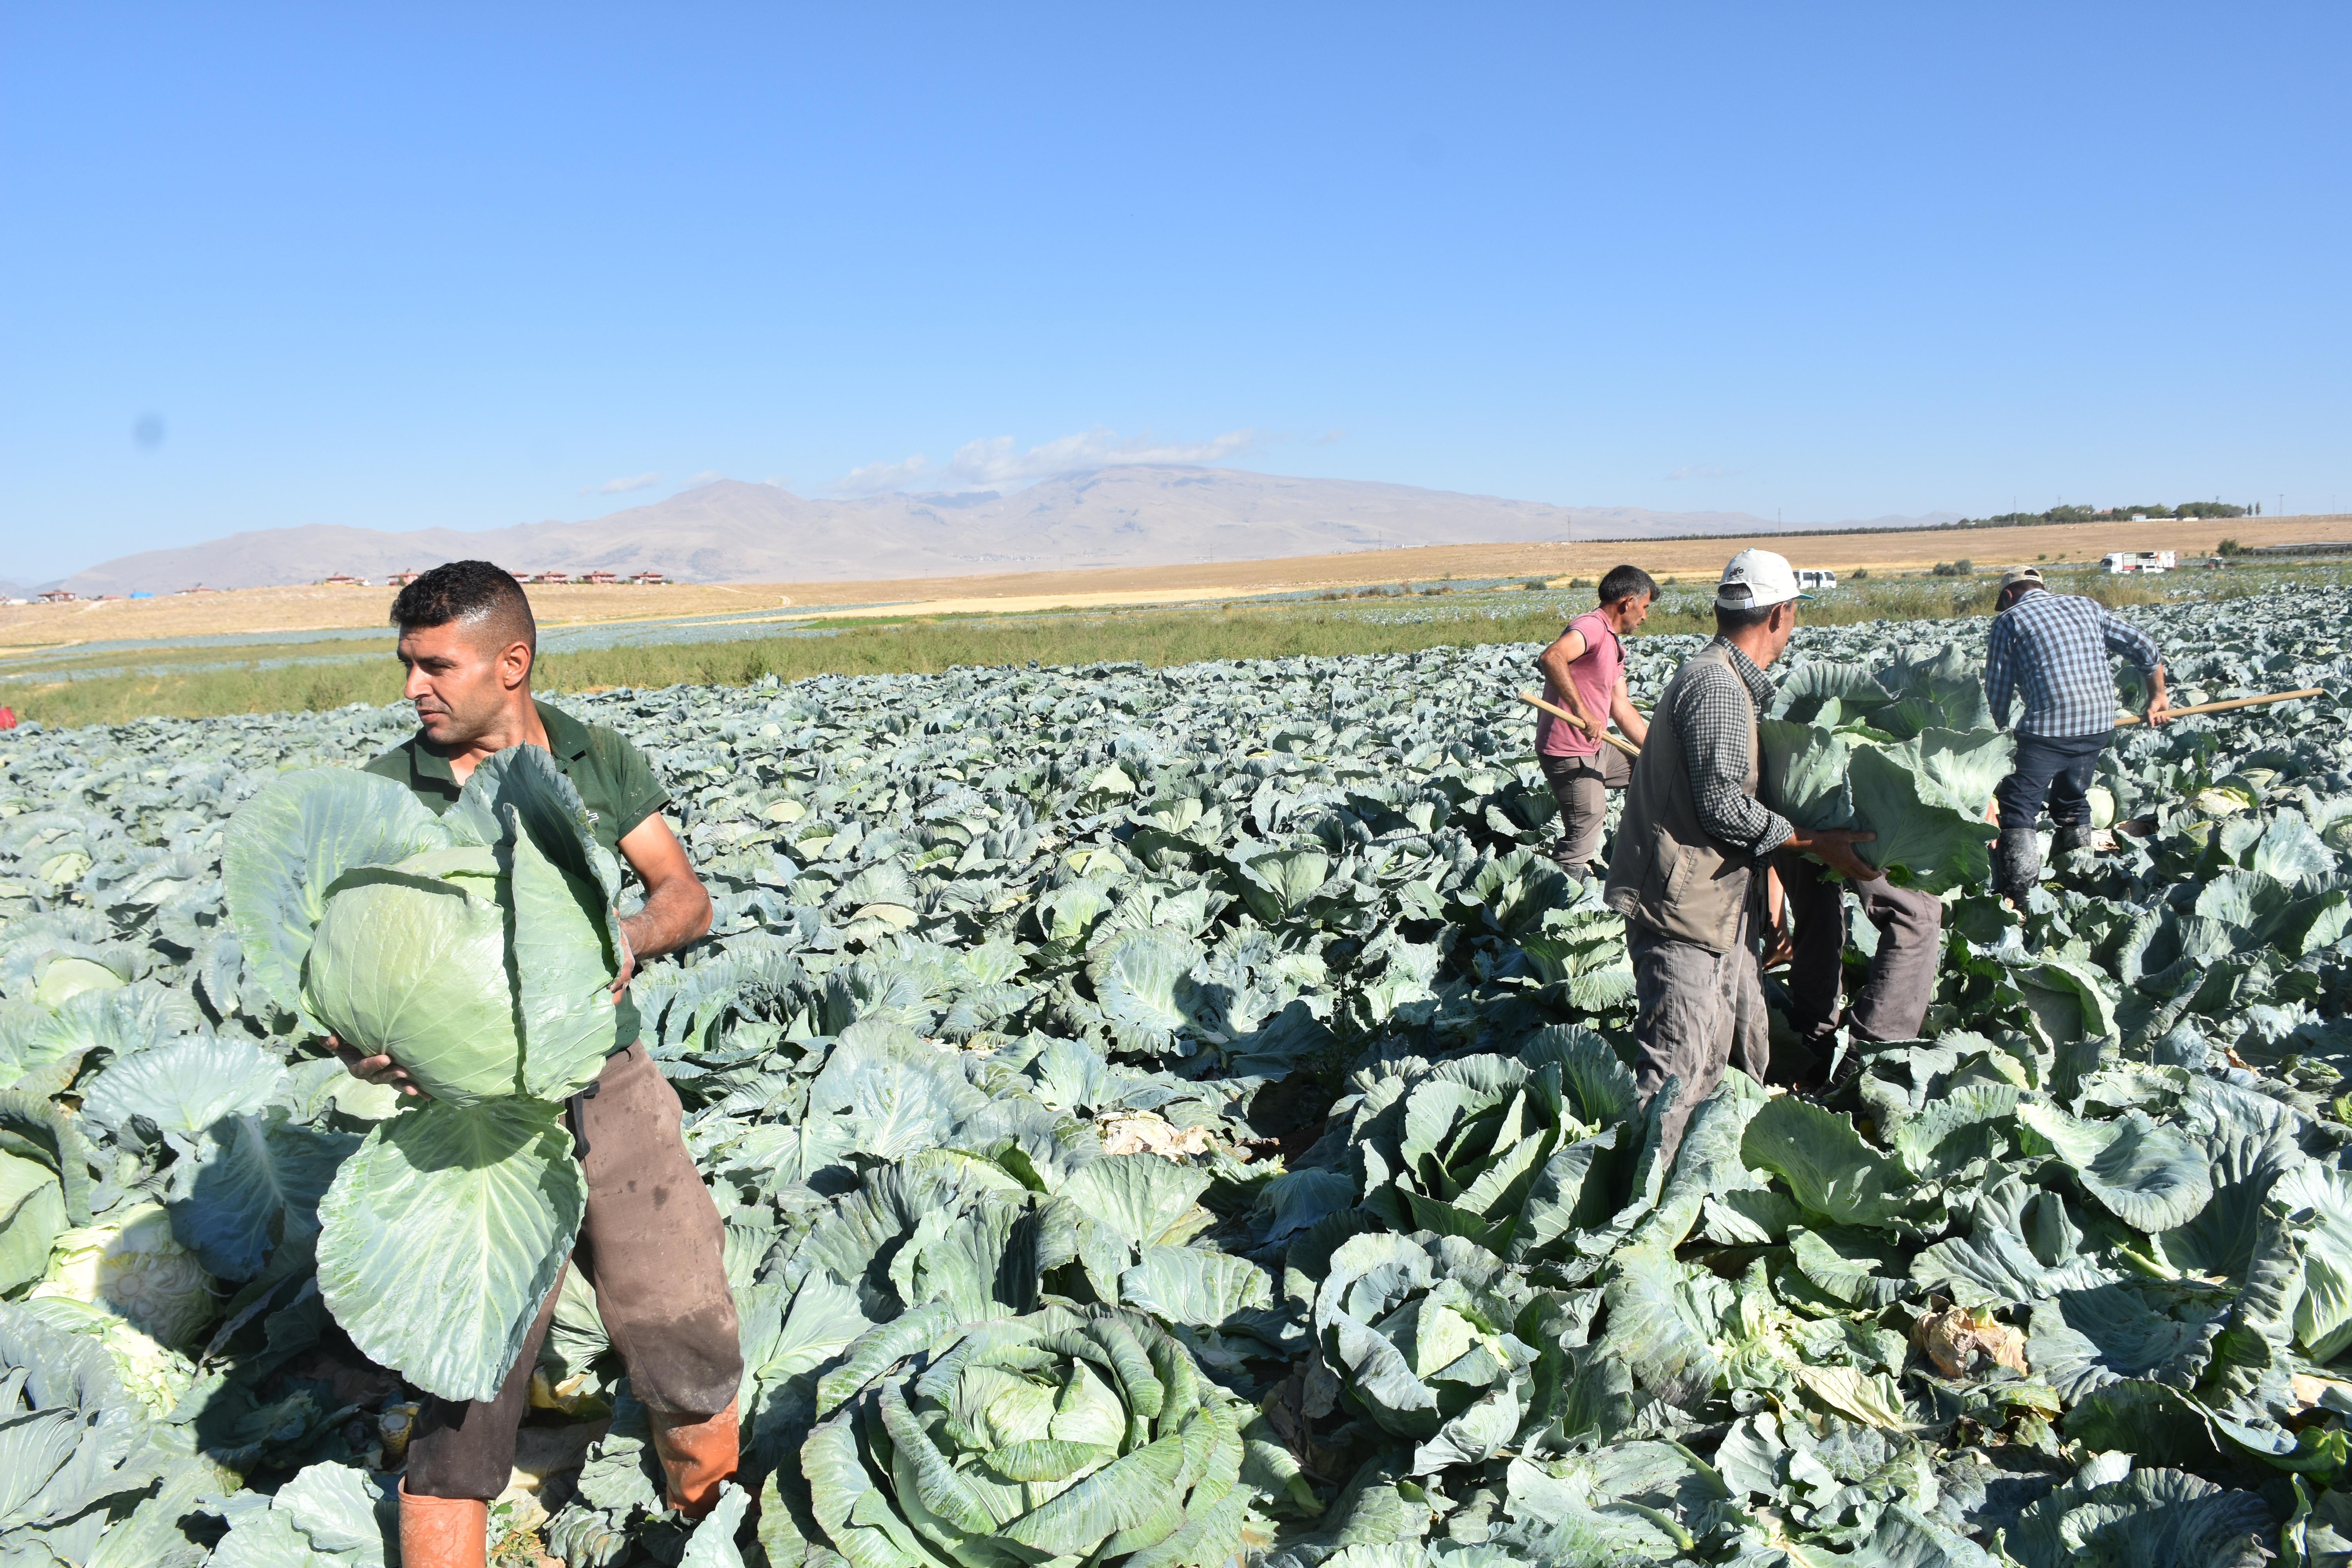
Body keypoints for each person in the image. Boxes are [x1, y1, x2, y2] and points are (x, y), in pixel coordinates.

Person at [344, 561, 737, 1568]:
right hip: (475, 1114)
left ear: (511, 663)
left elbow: (685, 895)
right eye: (406, 664)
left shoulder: (594, 758)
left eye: (435, 664)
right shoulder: (391, 794)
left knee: (679, 1317)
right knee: (467, 1367)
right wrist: (369, 1040)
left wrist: (629, 938)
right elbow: (347, 970)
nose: (412, 687)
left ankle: (708, 1523)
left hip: (610, 1082)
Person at [1604, 549, 1880, 1156]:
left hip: (1714, 903)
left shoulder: (1721, 678)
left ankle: (1706, 1174)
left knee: (1732, 1047)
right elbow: (1723, 807)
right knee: (1679, 1068)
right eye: (1794, 616)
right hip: (1685, 909)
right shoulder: (1719, 688)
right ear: (1781, 615)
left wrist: (1772, 902)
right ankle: (1642, 1203)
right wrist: (1816, 844)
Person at [1983, 565, 2170, 900]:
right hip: (2098, 723)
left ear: (2009, 596)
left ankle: (2019, 894)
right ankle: (2079, 877)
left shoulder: (2009, 621)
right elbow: (2143, 646)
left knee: (2018, 806)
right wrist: (2159, 697)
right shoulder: (2086, 606)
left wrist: (1986, 742)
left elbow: (1998, 691)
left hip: (2048, 731)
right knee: (2071, 798)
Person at [1771, 851, 1942, 1082]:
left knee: (1816, 901)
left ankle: (1812, 1050)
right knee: (1914, 915)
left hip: (1787, 817)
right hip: (1861, 817)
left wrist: (1775, 926)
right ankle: (1868, 1067)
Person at [1533, 565, 1655, 878]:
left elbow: (1623, 708)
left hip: (1597, 748)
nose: (1645, 617)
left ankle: (1643, 846)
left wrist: (1659, 751)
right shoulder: (1592, 627)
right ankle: (1564, 883)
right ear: (1628, 603)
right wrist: (1582, 712)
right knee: (1586, 826)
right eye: (1644, 607)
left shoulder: (1614, 646)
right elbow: (1552, 657)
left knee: (1650, 772)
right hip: (1568, 750)